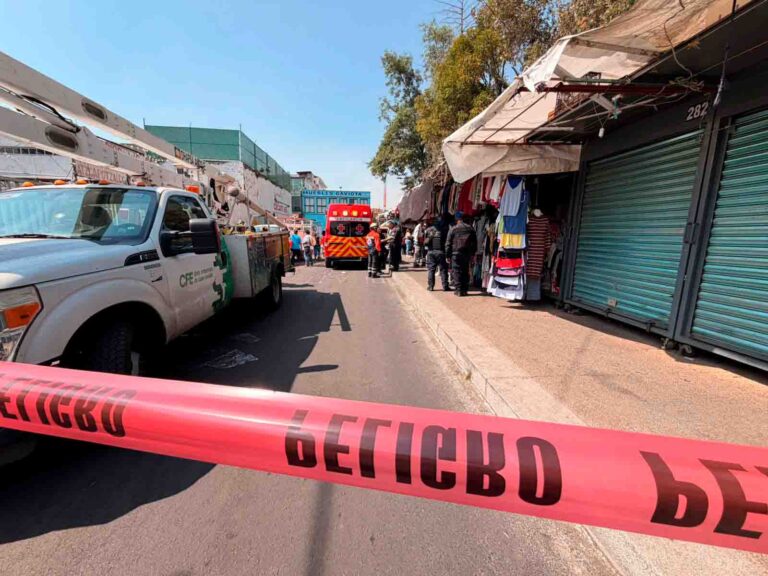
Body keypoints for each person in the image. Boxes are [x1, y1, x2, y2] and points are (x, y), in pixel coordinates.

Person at [446, 211, 477, 296]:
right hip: (466, 253)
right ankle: (464, 289)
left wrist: (447, 255)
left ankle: (458, 290)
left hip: (455, 253)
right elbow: (474, 243)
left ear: (456, 219)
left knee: (456, 271)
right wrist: (473, 254)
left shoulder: (453, 229)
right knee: (465, 270)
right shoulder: (470, 228)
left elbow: (448, 243)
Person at [424, 218, 450, 291]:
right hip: (441, 252)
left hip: (431, 252)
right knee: (443, 269)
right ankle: (445, 286)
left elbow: (425, 242)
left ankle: (430, 286)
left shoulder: (428, 230)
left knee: (431, 270)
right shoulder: (444, 230)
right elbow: (447, 242)